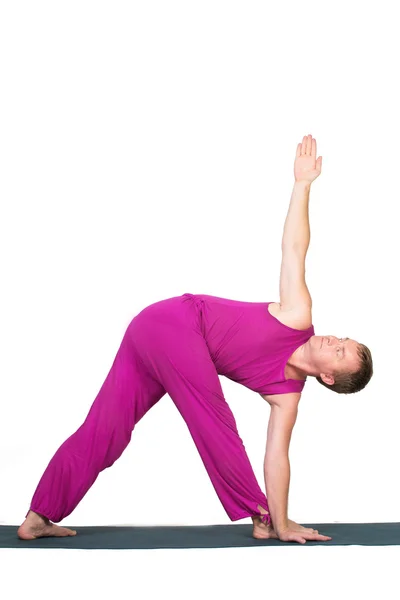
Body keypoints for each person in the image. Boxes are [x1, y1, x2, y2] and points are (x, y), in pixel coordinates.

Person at [18, 134, 373, 545]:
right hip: (171, 322)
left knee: (107, 431)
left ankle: (38, 516)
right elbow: (294, 248)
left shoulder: (286, 395)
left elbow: (277, 458)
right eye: (342, 339)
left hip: (159, 346)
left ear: (329, 378)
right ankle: (258, 516)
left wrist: (286, 518)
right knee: (212, 414)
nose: (334, 340)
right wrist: (302, 185)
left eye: (341, 351)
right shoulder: (298, 315)